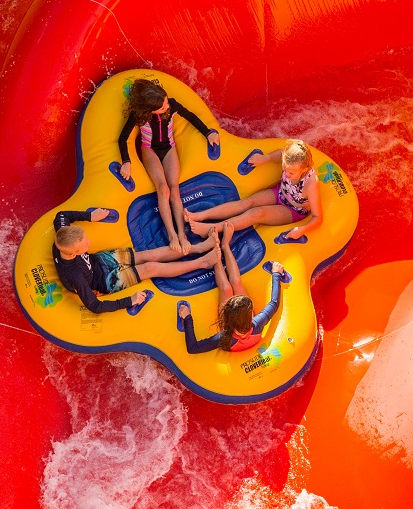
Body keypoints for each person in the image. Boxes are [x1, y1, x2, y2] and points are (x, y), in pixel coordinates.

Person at [116, 79, 218, 255]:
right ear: (151, 109)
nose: (166, 107)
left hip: (169, 148)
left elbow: (191, 116)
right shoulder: (138, 115)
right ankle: (172, 235)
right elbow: (123, 138)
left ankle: (182, 234)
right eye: (162, 107)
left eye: (165, 102)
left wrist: (208, 132)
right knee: (163, 189)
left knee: (174, 189)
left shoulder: (171, 104)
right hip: (149, 150)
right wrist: (126, 161)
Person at [53, 209, 218, 314]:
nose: (89, 243)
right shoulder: (75, 276)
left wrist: (90, 216)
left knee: (149, 255)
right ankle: (202, 262)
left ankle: (199, 248)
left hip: (100, 261)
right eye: (84, 245)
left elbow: (61, 215)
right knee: (150, 268)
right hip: (105, 281)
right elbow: (95, 306)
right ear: (74, 253)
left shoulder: (62, 236)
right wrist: (129, 301)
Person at [177, 221, 287, 353]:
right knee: (235, 281)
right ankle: (225, 246)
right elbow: (274, 303)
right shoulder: (257, 323)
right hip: (239, 325)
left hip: (232, 327)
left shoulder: (225, 337)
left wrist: (187, 317)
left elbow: (193, 348)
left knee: (226, 288)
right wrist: (276, 273)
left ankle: (215, 249)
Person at [185, 139, 320, 240]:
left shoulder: (310, 184)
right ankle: (201, 215)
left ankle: (212, 228)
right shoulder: (290, 157)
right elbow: (280, 155)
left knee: (256, 213)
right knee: (246, 203)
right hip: (281, 192)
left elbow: (318, 217)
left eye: (291, 173)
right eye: (285, 169)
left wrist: (302, 229)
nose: (287, 174)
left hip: (293, 210)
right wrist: (264, 158)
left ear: (304, 169)